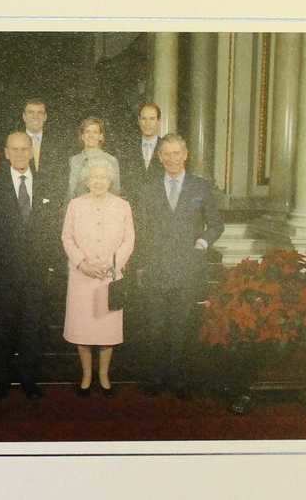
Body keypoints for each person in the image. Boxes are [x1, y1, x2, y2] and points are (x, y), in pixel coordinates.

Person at [136, 133, 224, 399]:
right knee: (155, 325)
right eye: (167, 154)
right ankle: (155, 378)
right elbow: (140, 229)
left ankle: (179, 379)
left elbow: (216, 224)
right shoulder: (148, 188)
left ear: (185, 155)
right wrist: (141, 265)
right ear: (160, 158)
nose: (172, 159)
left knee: (182, 326)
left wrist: (202, 241)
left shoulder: (202, 187)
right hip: (156, 267)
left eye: (177, 153)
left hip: (188, 267)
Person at [0, 132, 62, 400]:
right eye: (16, 149)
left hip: (37, 270)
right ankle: (0, 381)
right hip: (4, 269)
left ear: (32, 150)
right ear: (7, 152)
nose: (21, 153)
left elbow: (53, 229)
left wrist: (51, 264)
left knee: (32, 327)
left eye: (26, 148)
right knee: (3, 327)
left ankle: (28, 380)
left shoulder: (48, 184)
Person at [61, 159, 135, 397]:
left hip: (110, 276)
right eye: (94, 177)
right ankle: (86, 376)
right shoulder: (75, 205)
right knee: (83, 329)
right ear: (86, 180)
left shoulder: (123, 206)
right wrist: (82, 263)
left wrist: (113, 265)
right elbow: (67, 238)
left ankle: (103, 376)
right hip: (82, 276)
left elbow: (129, 240)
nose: (99, 182)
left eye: (103, 177)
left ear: (110, 180)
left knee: (106, 331)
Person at [117, 102, 164, 204]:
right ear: (138, 120)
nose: (147, 124)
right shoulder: (126, 148)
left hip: (159, 210)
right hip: (133, 210)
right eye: (144, 119)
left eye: (152, 119)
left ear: (159, 121)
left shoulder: (167, 148)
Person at [67, 117, 120, 200]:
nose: (91, 135)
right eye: (87, 131)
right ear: (82, 136)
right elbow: (69, 192)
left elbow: (115, 191)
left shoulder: (110, 160)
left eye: (95, 132)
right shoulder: (73, 160)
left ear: (101, 136)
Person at [21, 98, 66, 191]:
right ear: (24, 117)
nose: (35, 116)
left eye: (40, 113)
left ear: (45, 117)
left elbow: (60, 178)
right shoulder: (13, 142)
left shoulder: (58, 144)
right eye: (31, 112)